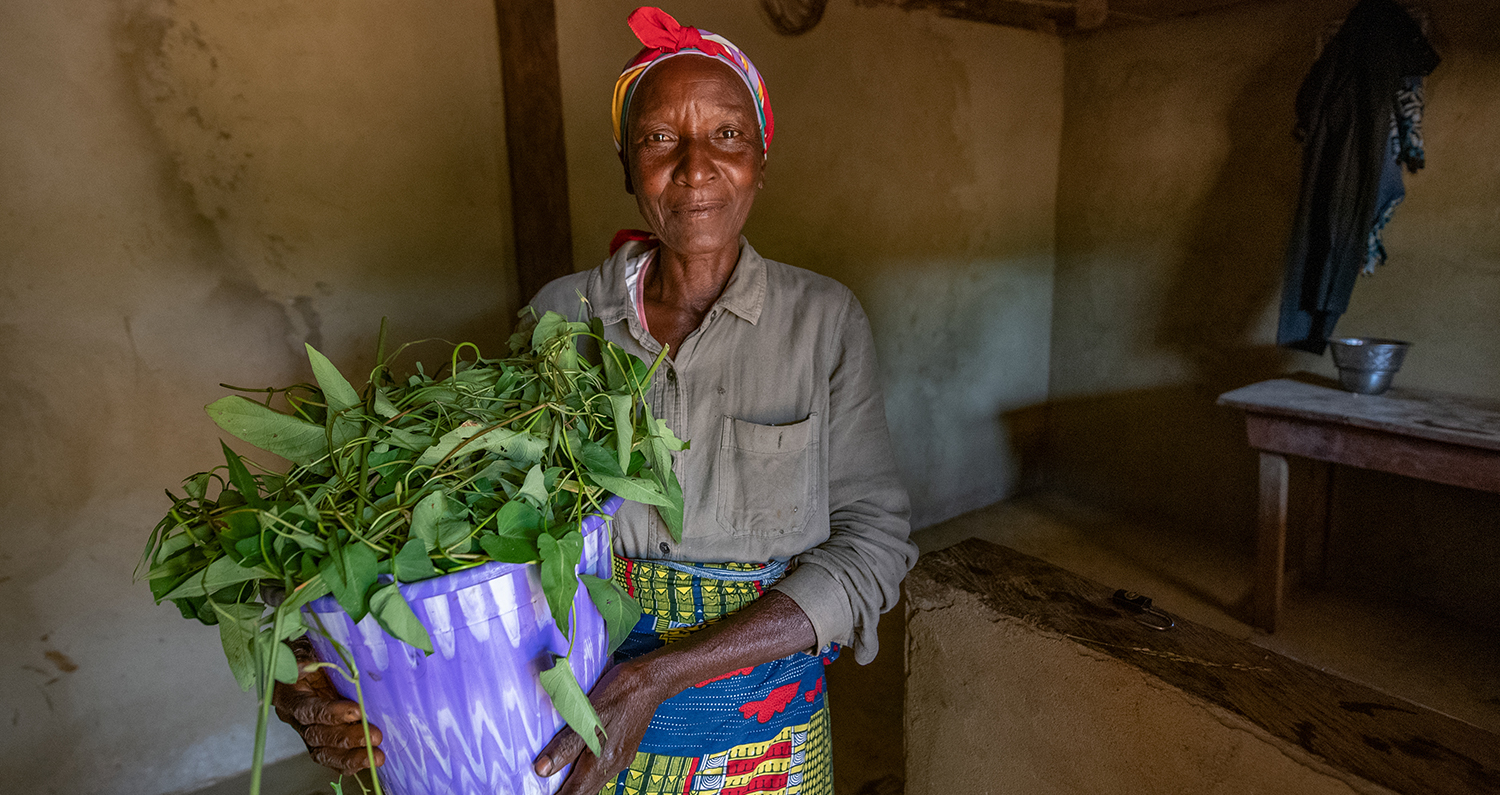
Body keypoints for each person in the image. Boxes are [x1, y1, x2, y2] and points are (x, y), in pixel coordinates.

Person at [273, 8, 916, 794]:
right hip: (569, 733)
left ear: (760, 158)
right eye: (659, 140)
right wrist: (327, 669)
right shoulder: (558, 318)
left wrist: (663, 673)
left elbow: (871, 546)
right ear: (625, 164)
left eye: (726, 135)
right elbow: (470, 526)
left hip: (763, 744)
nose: (695, 166)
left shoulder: (824, 322)